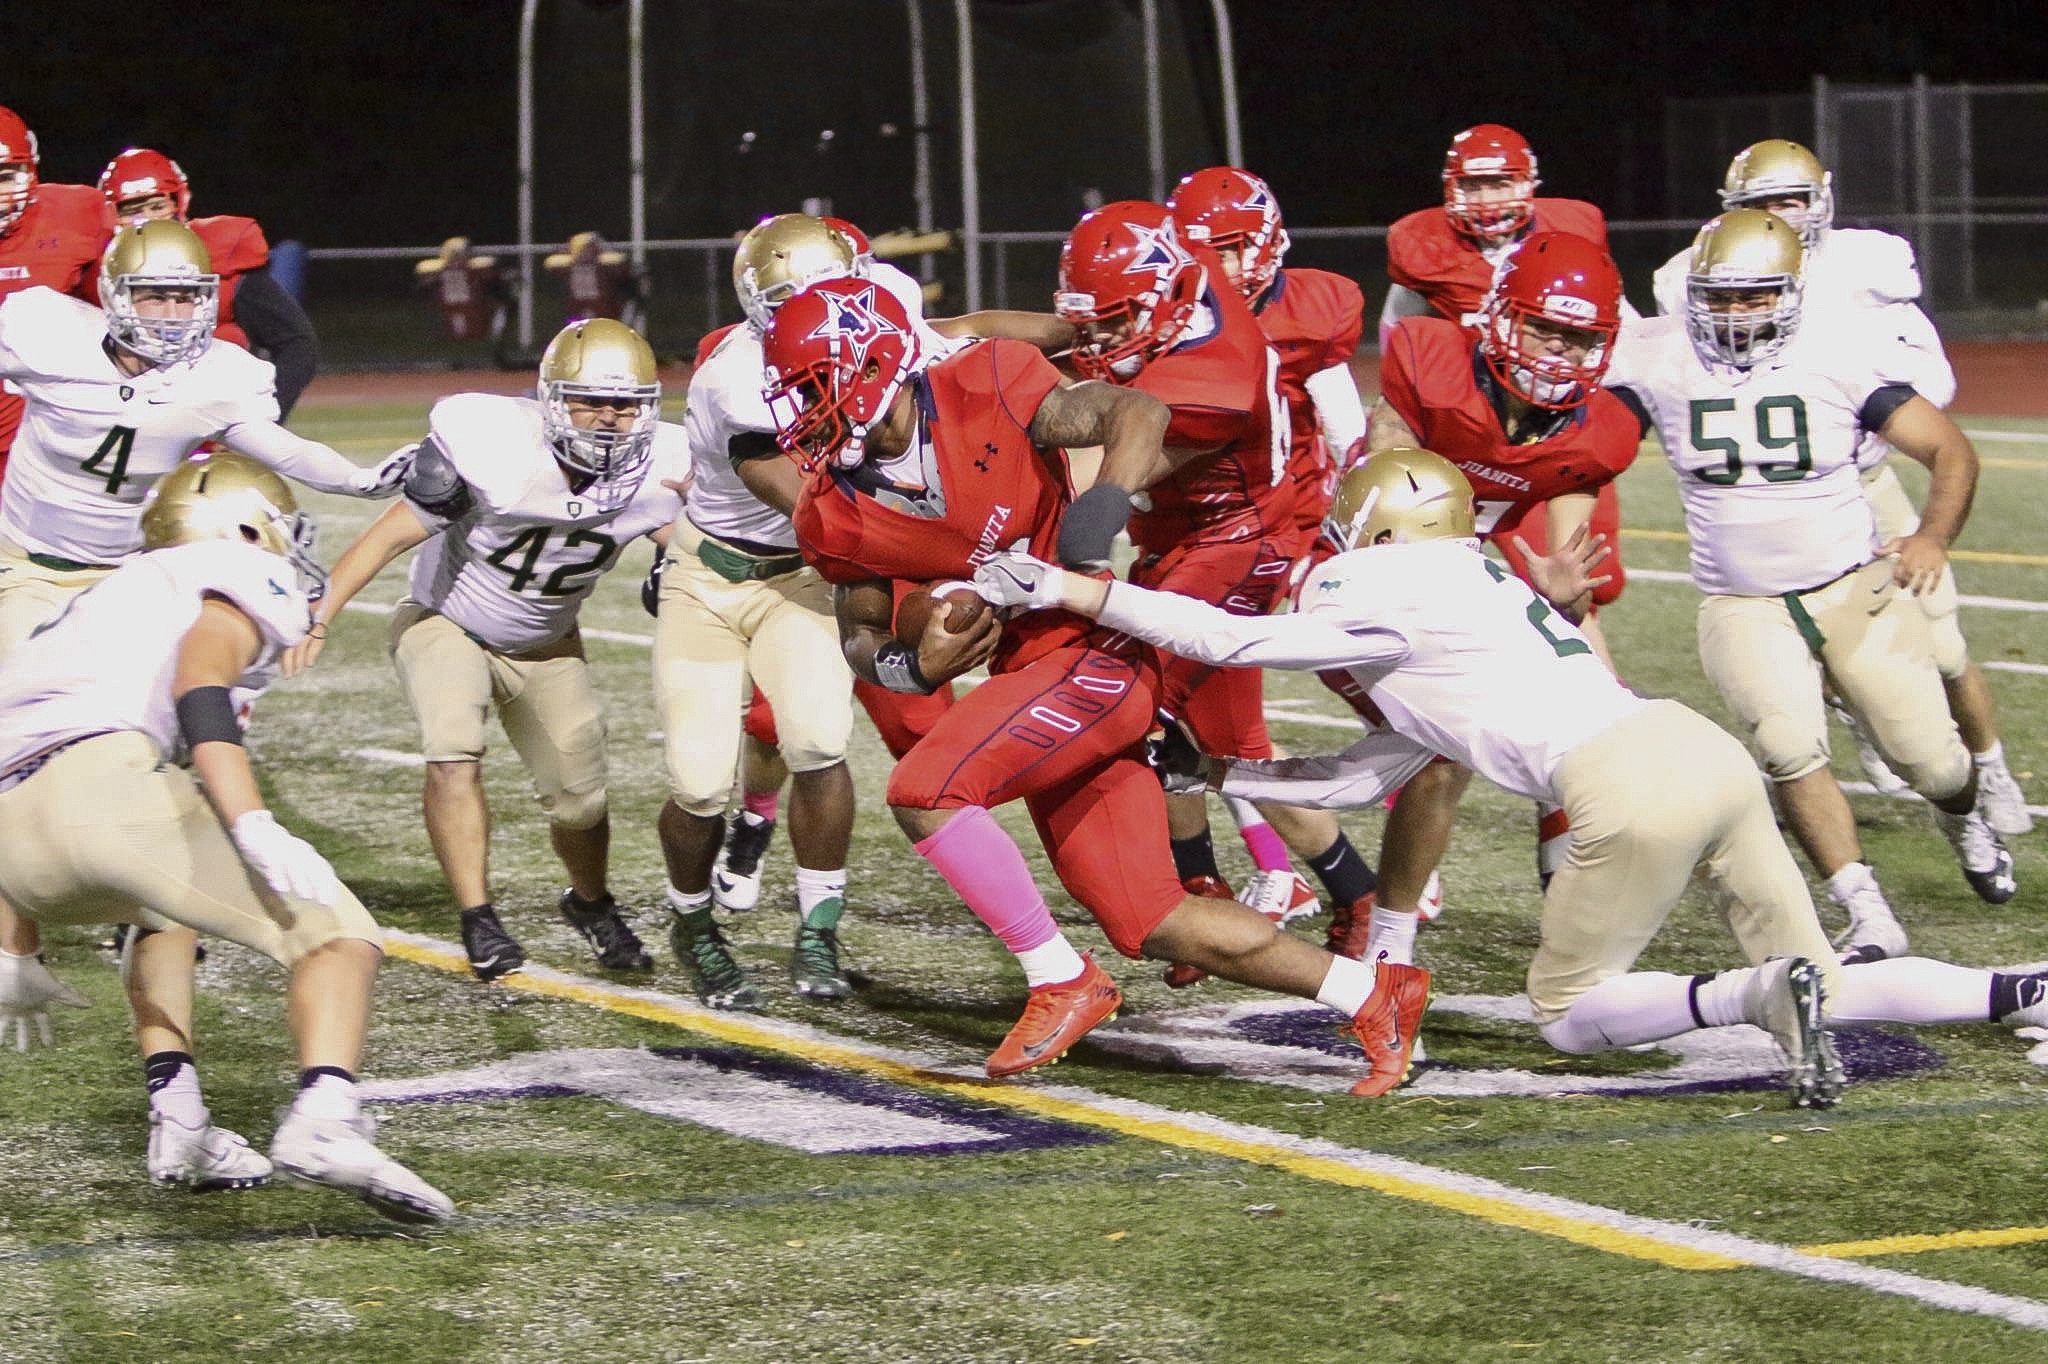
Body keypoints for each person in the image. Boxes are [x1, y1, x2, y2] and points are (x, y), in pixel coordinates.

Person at [972, 449, 2048, 1110]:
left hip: (1621, 780)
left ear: (1376, 528)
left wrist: (1075, 586)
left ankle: (1755, 997)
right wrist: (1227, 769)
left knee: (1567, 1011)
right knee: (1827, 969)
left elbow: (1223, 637)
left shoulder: (1374, 577)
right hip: (1694, 747)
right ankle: (2022, 987)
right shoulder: (1470, 590)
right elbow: (1364, 778)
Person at [767, 276, 1429, 1094]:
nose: (805, 416)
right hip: (1027, 674)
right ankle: (1374, 993)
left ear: (873, 362)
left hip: (1094, 651)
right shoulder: (831, 509)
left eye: (815, 388)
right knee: (1147, 916)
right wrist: (914, 666)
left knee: (926, 788)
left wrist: (1100, 510)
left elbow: (1136, 413)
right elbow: (860, 636)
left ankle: (1057, 978)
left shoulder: (989, 380)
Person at [0, 452, 452, 1218]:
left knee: (166, 911)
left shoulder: (82, 608)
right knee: (336, 934)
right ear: (245, 526)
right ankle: (326, 1121)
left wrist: (17, 947)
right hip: (105, 787)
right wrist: (253, 820)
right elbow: (202, 677)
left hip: (15, 843)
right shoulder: (228, 569)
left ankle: (180, 1119)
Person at [0, 220, 406, 1039]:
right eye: (153, 293)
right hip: (28, 565)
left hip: (133, 580)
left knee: (144, 746)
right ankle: (17, 947)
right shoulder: (41, 325)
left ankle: (149, 900)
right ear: (112, 296)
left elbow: (275, 446)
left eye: (188, 295)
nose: (172, 311)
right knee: (17, 739)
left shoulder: (222, 373)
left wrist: (366, 479)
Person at [1605, 208, 2015, 960]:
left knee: (1931, 762)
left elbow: (1950, 450)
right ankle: (1865, 910)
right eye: (1720, 296)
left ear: (1788, 292)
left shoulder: (1837, 350)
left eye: (1753, 295)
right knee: (1788, 746)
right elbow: (1592, 451)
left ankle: (1963, 815)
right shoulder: (1658, 354)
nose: (1734, 312)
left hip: (1850, 586)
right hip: (1740, 601)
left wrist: (1929, 536)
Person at [285, 319, 685, 981]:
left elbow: (691, 548)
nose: (610, 420)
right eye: (591, 402)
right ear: (553, 400)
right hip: (447, 623)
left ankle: (590, 904)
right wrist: (320, 613)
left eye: (626, 405)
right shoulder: (498, 448)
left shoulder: (663, 468)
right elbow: (386, 539)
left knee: (578, 800)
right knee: (452, 749)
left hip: (549, 644)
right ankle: (479, 917)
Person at [1651, 139, 2029, 837]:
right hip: (1771, 492)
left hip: (1861, 474)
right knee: (1800, 635)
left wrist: (1860, 409)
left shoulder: (1863, 267)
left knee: (1942, 649)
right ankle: (1860, 706)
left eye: (1792, 199)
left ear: (1819, 200)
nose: (1780, 214)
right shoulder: (1696, 274)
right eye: (1762, 202)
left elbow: (1929, 383)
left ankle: (1988, 766)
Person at [1056, 200, 1374, 985]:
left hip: (1234, 543)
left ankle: (1344, 894)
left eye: (1117, 319)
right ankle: (1215, 884)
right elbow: (1083, 334)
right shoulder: (1193, 288)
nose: (1100, 340)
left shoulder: (1211, 375)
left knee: (1145, 715)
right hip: (1195, 535)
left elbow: (1106, 480)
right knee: (1199, 746)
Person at [1359, 231, 1639, 959]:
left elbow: (1564, 572)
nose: (1557, 354)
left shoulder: (1597, 433)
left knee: (1586, 718)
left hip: (1462, 579)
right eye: (1544, 328)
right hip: (1362, 570)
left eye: (1578, 339)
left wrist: (1560, 595)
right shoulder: (1433, 360)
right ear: (1501, 316)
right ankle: (1380, 942)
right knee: (1438, 751)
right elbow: (1386, 483)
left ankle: (1560, 885)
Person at [1163, 167, 1384, 948]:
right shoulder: (1164, 311)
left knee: (1218, 737)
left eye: (1230, 249)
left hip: (1259, 528)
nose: (1219, 269)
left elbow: (1349, 433)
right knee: (1177, 732)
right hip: (1175, 533)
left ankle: (1341, 891)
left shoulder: (1308, 311)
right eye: (1202, 252)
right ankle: (1209, 883)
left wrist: (1330, 534)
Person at [1383, 123, 1629, 629]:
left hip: (1548, 432)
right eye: (1473, 185)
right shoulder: (1422, 246)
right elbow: (1397, 334)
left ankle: (1595, 694)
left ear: (1528, 183)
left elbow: (1615, 325)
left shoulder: (1573, 236)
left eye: (1498, 183)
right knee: (1404, 583)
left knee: (1581, 587)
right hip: (1460, 424)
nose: (1485, 197)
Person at [99, 147, 319, 418]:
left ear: (179, 202)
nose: (147, 219)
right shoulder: (94, 269)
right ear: (110, 214)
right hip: (126, 420)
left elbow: (297, 342)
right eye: (132, 210)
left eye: (157, 206)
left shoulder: (220, 254)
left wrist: (263, 417)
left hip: (209, 423)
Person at [0, 105, 113, 480]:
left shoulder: (78, 215)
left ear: (30, 170)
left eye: (3, 175)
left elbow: (120, 321)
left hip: (56, 437)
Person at [547, 231, 650, 333]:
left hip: (605, 309)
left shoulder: (606, 267)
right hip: (578, 309)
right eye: (584, 249)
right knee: (576, 335)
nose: (586, 252)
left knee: (610, 332)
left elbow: (631, 281)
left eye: (590, 248)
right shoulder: (567, 268)